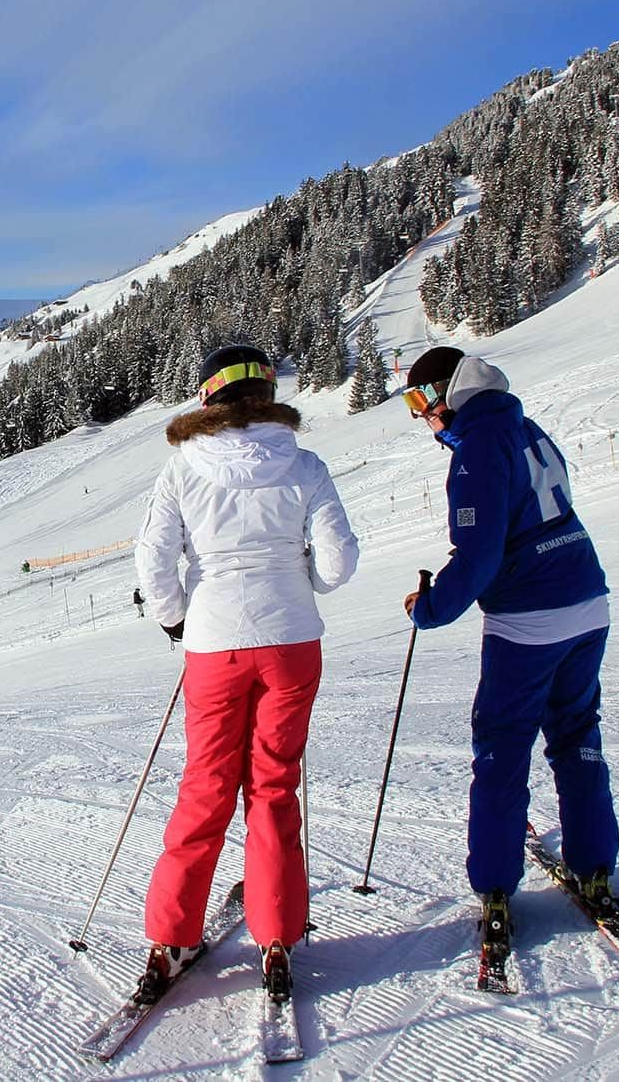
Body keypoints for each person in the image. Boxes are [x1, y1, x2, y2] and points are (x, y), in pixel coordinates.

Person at [133, 343, 358, 1005]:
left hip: (213, 645)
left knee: (205, 787)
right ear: (268, 392)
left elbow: (153, 565)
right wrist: (303, 581)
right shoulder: (304, 463)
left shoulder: (182, 469)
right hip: (292, 640)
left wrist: (179, 621)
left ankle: (172, 935)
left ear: (208, 398)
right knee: (273, 786)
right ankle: (279, 934)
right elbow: (339, 562)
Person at [399, 346, 619, 940]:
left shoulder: (477, 449)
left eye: (422, 400)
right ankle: (595, 865)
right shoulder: (522, 425)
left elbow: (480, 553)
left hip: (529, 620)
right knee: (576, 736)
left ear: (449, 392)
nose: (422, 416)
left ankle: (496, 883)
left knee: (502, 747)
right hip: (586, 601)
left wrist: (433, 607)